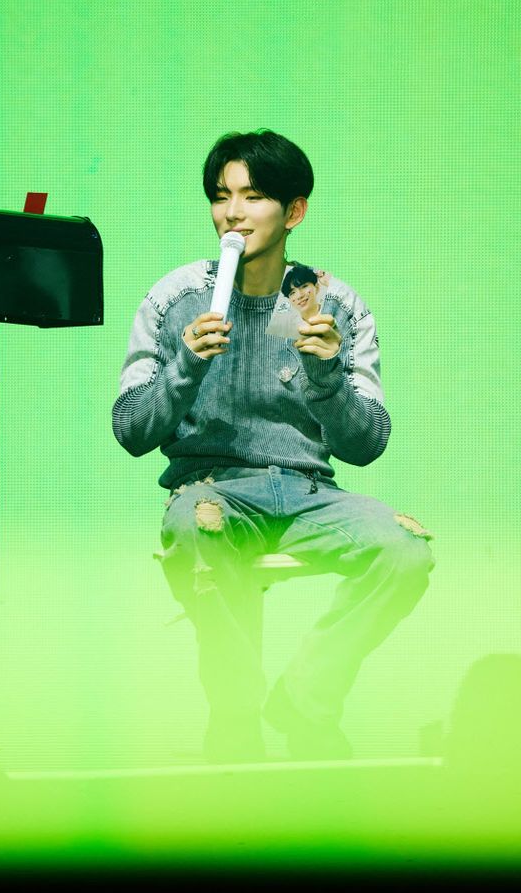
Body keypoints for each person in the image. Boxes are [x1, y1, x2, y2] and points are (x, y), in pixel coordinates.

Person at [112, 129, 435, 764]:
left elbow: (367, 444)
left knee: (405, 552)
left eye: (253, 196)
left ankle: (305, 700)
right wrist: (185, 365)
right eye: (221, 196)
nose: (232, 214)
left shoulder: (333, 303)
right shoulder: (175, 299)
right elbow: (131, 430)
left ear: (294, 211)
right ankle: (236, 716)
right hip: (214, 492)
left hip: (309, 492)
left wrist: (327, 374)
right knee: (195, 532)